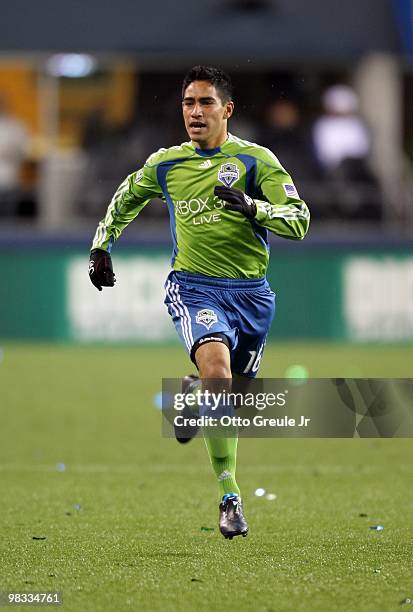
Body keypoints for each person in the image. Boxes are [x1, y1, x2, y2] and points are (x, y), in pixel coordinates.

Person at [88, 66, 310, 539]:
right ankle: (230, 496)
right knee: (219, 374)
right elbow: (127, 195)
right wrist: (101, 244)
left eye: (206, 103)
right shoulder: (167, 163)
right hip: (194, 286)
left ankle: (190, 395)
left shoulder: (255, 161)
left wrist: (255, 208)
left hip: (252, 295)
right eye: (188, 103)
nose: (195, 112)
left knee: (231, 398)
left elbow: (298, 220)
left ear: (227, 109)